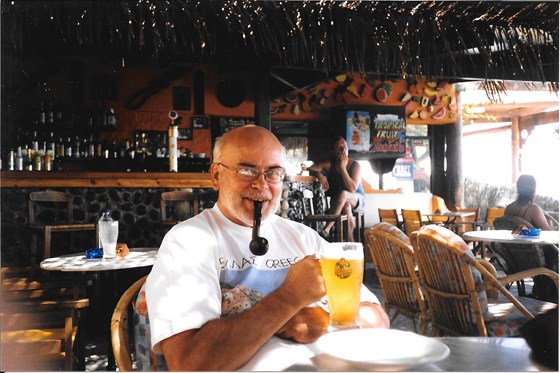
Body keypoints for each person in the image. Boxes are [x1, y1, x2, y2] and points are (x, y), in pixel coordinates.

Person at [145, 125, 389, 371]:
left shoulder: (303, 238)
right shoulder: (188, 241)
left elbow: (378, 319)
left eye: (273, 173)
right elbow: (190, 363)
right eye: (247, 170)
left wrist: (323, 321)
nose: (261, 184)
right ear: (216, 176)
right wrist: (289, 298)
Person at [308, 136, 365, 241]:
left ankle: (327, 229)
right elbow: (310, 168)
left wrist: (343, 168)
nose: (343, 151)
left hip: (357, 199)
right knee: (346, 207)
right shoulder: (330, 164)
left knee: (344, 194)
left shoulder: (355, 165)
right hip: (340, 203)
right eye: (340, 148)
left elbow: (352, 189)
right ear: (333, 152)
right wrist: (318, 174)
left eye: (345, 147)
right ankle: (351, 243)